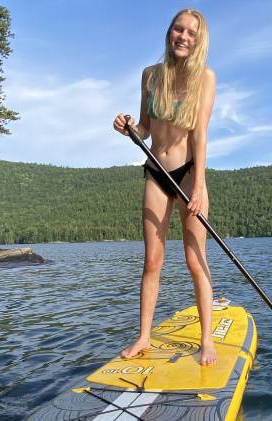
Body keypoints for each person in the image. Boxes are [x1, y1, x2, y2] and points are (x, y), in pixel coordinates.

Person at [113, 8, 218, 366]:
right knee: (152, 260)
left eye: (191, 32)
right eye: (178, 29)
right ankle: (144, 336)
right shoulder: (149, 76)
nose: (183, 37)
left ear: (198, 40)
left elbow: (200, 134)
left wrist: (200, 185)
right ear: (169, 32)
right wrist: (129, 126)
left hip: (189, 173)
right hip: (156, 170)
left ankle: (207, 340)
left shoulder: (205, 78)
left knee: (194, 259)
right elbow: (145, 128)